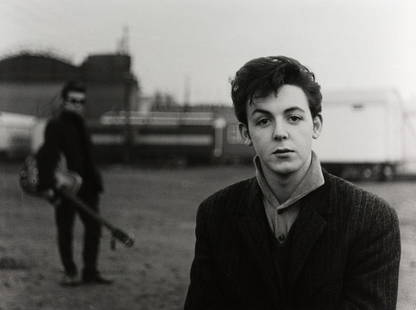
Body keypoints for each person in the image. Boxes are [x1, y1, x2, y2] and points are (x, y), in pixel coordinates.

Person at [184, 56, 401, 309]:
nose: (280, 132)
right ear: (246, 133)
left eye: (294, 118)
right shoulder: (216, 215)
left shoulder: (372, 219)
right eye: (264, 121)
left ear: (316, 125)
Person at [36, 81, 112, 286]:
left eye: (81, 101)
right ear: (64, 101)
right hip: (65, 187)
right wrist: (50, 186)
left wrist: (94, 182)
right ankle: (70, 272)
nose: (77, 105)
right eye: (73, 100)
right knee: (65, 229)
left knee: (94, 227)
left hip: (87, 186)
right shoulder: (55, 125)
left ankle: (90, 272)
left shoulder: (82, 125)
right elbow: (47, 158)